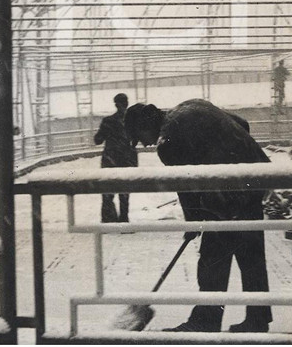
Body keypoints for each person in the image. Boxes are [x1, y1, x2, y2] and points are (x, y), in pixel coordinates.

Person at [125, 99, 272, 334]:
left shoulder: (168, 141)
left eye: (141, 137)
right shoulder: (189, 106)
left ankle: (206, 321)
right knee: (250, 255)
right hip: (255, 178)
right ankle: (258, 318)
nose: (144, 144)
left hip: (229, 192)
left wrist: (193, 221)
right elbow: (241, 123)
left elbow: (185, 184)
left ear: (145, 125)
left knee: (212, 259)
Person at [94, 93, 138, 223]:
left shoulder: (108, 121)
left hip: (110, 160)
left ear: (116, 104)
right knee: (124, 193)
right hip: (127, 160)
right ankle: (124, 220)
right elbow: (137, 140)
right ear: (127, 103)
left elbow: (97, 140)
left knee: (108, 191)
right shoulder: (132, 122)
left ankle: (108, 219)